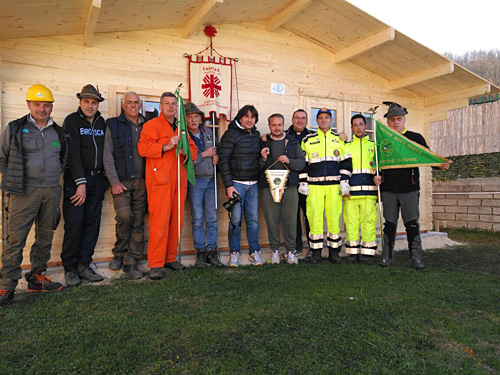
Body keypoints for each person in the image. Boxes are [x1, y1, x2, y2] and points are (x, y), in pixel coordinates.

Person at [0, 84, 67, 306]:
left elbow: (63, 159)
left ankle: (37, 277)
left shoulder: (58, 132)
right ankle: (7, 285)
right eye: (37, 104)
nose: (42, 109)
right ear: (28, 104)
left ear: (51, 107)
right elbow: (2, 157)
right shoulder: (15, 128)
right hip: (23, 192)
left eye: (46, 105)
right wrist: (13, 179)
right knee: (15, 238)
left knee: (45, 236)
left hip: (51, 190)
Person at [379, 102, 451, 269]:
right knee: (389, 224)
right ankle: (387, 258)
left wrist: (440, 164)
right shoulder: (383, 141)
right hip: (388, 189)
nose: (395, 122)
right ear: (388, 122)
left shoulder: (415, 138)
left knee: (411, 223)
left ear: (404, 120)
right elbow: (377, 164)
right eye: (392, 119)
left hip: (409, 189)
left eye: (399, 119)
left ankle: (416, 257)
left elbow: (427, 156)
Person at [138, 92, 197, 280]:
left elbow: (193, 152)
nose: (171, 107)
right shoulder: (151, 125)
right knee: (159, 223)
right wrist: (166, 145)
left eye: (174, 104)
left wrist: (185, 151)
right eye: (167, 103)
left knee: (176, 221)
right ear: (161, 106)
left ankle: (170, 258)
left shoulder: (182, 128)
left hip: (179, 181)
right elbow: (142, 148)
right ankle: (156, 264)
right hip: (160, 182)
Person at [60, 84, 106, 286]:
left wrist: (103, 180)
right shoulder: (72, 121)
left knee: (92, 225)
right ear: (80, 102)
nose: (90, 105)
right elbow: (73, 154)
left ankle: (84, 265)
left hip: (97, 180)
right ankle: (70, 268)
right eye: (86, 101)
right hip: (76, 180)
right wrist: (81, 182)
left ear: (97, 104)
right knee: (75, 224)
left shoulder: (101, 122)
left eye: (93, 102)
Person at [104, 91, 147, 279]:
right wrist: (114, 181)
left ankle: (131, 261)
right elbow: (107, 154)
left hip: (143, 181)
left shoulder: (148, 125)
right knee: (125, 216)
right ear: (123, 105)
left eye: (136, 102)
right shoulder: (112, 125)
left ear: (140, 105)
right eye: (129, 102)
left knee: (138, 220)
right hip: (121, 181)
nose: (133, 106)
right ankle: (119, 253)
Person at [300, 108, 352, 264]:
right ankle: (315, 253)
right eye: (321, 117)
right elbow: (303, 162)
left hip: (334, 187)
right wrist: (303, 181)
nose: (324, 120)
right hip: (314, 187)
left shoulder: (339, 139)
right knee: (314, 219)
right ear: (317, 121)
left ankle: (334, 253)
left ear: (331, 120)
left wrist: (344, 180)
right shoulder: (308, 139)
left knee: (334, 219)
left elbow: (346, 161)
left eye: (327, 117)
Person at [218, 105, 262, 267]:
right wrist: (229, 186)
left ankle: (254, 252)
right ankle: (234, 252)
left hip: (254, 184)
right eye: (246, 116)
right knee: (235, 220)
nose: (249, 120)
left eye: (252, 117)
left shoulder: (256, 135)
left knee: (254, 220)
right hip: (237, 184)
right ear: (240, 118)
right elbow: (223, 161)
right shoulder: (230, 134)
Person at [260, 113, 305, 264]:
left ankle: (290, 251)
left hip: (290, 187)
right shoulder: (263, 142)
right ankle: (275, 251)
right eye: (274, 125)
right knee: (271, 220)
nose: (277, 128)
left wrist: (289, 161)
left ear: (283, 125)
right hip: (268, 187)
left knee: (290, 220)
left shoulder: (292, 142)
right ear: (269, 126)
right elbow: (257, 167)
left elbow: (301, 163)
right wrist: (263, 159)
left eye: (279, 125)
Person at [185, 102, 223, 268]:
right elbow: (185, 162)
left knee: (212, 217)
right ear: (185, 120)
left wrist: (216, 158)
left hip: (211, 179)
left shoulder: (208, 132)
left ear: (200, 119)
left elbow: (217, 151)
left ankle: (212, 250)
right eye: (190, 117)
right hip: (195, 181)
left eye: (196, 117)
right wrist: (204, 155)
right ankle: (200, 251)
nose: (194, 120)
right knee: (198, 217)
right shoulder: (184, 137)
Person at [343, 114, 381, 264]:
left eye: (361, 124)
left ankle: (368, 253)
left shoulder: (374, 146)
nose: (358, 127)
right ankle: (353, 253)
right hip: (350, 193)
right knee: (351, 223)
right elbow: (342, 169)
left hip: (369, 192)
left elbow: (381, 168)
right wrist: (344, 188)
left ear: (366, 126)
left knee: (369, 223)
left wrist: (380, 179)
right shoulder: (346, 146)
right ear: (352, 128)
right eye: (355, 125)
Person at [285, 109, 313, 257]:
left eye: (303, 118)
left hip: (309, 182)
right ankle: (296, 246)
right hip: (292, 182)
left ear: (307, 121)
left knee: (309, 215)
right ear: (292, 119)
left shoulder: (313, 137)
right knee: (293, 216)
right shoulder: (285, 136)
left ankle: (312, 245)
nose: (300, 121)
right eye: (297, 118)